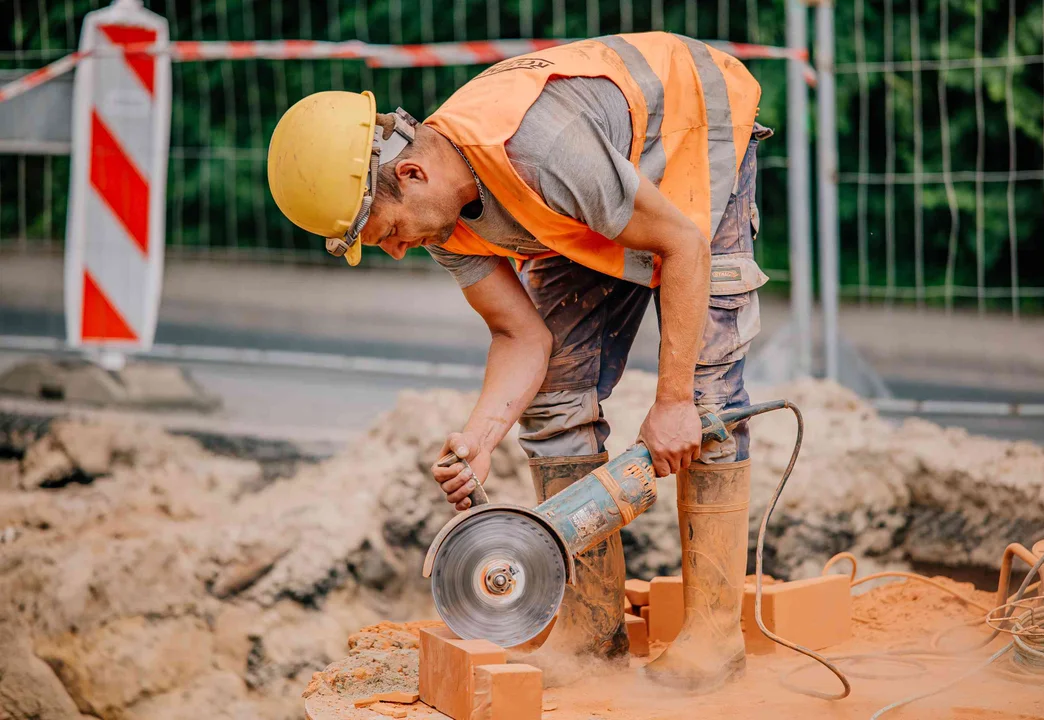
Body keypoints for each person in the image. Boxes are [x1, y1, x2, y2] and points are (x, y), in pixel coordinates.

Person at [267, 31, 771, 692]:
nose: (395, 251)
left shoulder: (541, 149)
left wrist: (673, 399)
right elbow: (521, 337)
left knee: (705, 399)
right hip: (596, 191)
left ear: (411, 174)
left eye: (387, 233)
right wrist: (480, 440)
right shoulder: (441, 212)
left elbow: (680, 245)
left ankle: (714, 635)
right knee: (557, 388)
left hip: (692, 126)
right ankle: (591, 629)